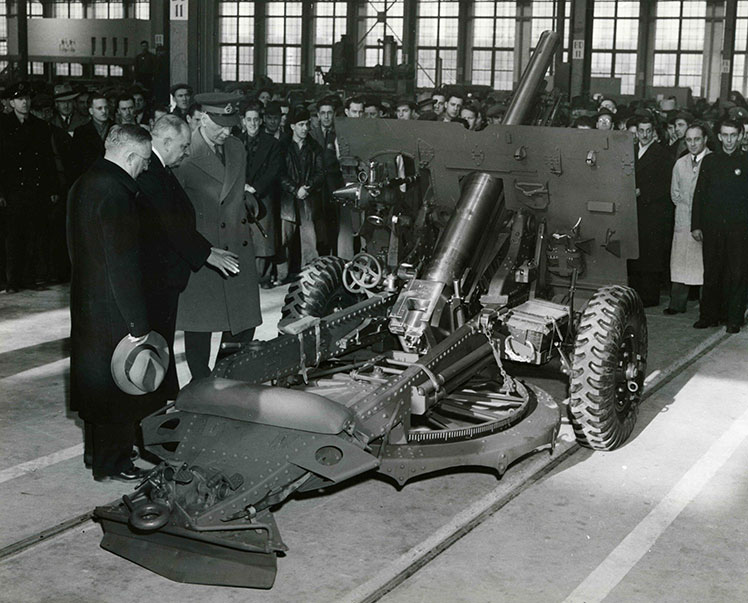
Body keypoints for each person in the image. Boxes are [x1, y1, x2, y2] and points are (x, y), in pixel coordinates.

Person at [67, 124, 156, 481]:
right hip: (114, 308)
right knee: (119, 386)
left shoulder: (82, 184)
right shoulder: (117, 195)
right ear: (130, 156)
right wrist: (137, 323)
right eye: (145, 161)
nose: (146, 168)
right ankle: (115, 463)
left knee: (94, 383)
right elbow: (123, 266)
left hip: (88, 300)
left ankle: (95, 454)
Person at [136, 115, 240, 397]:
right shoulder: (151, 171)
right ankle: (159, 404)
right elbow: (168, 222)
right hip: (157, 275)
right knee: (157, 344)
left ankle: (164, 398)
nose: (185, 151)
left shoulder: (161, 167)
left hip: (166, 273)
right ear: (166, 141)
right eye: (183, 146)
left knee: (162, 344)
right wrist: (205, 252)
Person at [174, 93, 261, 380]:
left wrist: (250, 202)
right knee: (200, 325)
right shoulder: (185, 152)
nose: (227, 132)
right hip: (205, 250)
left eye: (231, 126)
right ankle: (201, 382)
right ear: (205, 118)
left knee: (243, 322)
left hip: (237, 244)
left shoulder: (237, 147)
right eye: (221, 126)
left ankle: (225, 377)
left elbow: (236, 193)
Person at [0, 82, 59, 293]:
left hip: (36, 189)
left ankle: (30, 278)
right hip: (13, 190)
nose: (24, 102)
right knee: (14, 236)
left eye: (27, 98)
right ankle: (13, 281)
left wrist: (53, 188)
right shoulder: (3, 125)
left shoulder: (40, 126)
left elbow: (47, 160)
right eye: (20, 99)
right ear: (11, 102)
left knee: (35, 234)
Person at [691, 118, 748, 333]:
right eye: (725, 135)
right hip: (713, 228)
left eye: (733, 135)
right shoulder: (710, 161)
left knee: (737, 273)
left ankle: (734, 318)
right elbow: (699, 195)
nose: (729, 140)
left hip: (739, 230)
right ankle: (708, 316)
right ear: (719, 136)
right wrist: (696, 225)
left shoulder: (746, 161)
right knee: (712, 272)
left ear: (741, 135)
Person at [628, 114, 674, 307]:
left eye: (648, 131)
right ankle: (636, 294)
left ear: (654, 132)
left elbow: (666, 185)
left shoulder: (662, 154)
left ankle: (649, 297)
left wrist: (642, 192)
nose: (645, 135)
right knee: (636, 252)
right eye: (641, 131)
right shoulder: (630, 151)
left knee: (650, 255)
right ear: (636, 132)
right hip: (634, 210)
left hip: (652, 212)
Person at [664, 123, 710, 315]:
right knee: (680, 263)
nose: (692, 144)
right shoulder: (680, 163)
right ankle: (677, 304)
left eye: (697, 139)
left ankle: (706, 306)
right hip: (683, 220)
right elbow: (674, 193)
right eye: (689, 140)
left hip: (704, 221)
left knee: (703, 266)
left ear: (705, 139)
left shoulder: (712, 161)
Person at [278, 108, 324, 281]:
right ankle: (284, 275)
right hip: (288, 200)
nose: (305, 128)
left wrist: (308, 187)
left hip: (307, 199)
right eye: (301, 125)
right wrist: (294, 189)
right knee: (285, 239)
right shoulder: (282, 146)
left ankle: (309, 275)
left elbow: (321, 173)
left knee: (309, 238)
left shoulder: (314, 147)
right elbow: (279, 173)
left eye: (307, 124)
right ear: (292, 126)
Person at [241, 100, 283, 287]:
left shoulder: (272, 143)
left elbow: (274, 170)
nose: (252, 123)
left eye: (255, 119)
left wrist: (255, 187)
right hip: (239, 194)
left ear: (261, 121)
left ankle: (263, 277)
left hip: (262, 195)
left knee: (263, 237)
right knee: (242, 236)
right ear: (243, 121)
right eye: (249, 119)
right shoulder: (235, 141)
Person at [310, 96, 344, 256]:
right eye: (323, 113)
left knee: (334, 223)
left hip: (334, 185)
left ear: (334, 114)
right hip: (316, 187)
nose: (326, 116)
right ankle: (321, 258)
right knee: (318, 224)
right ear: (317, 115)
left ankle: (335, 258)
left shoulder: (340, 134)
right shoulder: (311, 134)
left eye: (329, 113)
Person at [73, 92, 113, 179]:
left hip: (112, 177)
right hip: (90, 179)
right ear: (91, 111)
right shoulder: (81, 132)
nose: (104, 111)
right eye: (99, 108)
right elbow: (77, 162)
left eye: (106, 107)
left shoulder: (116, 128)